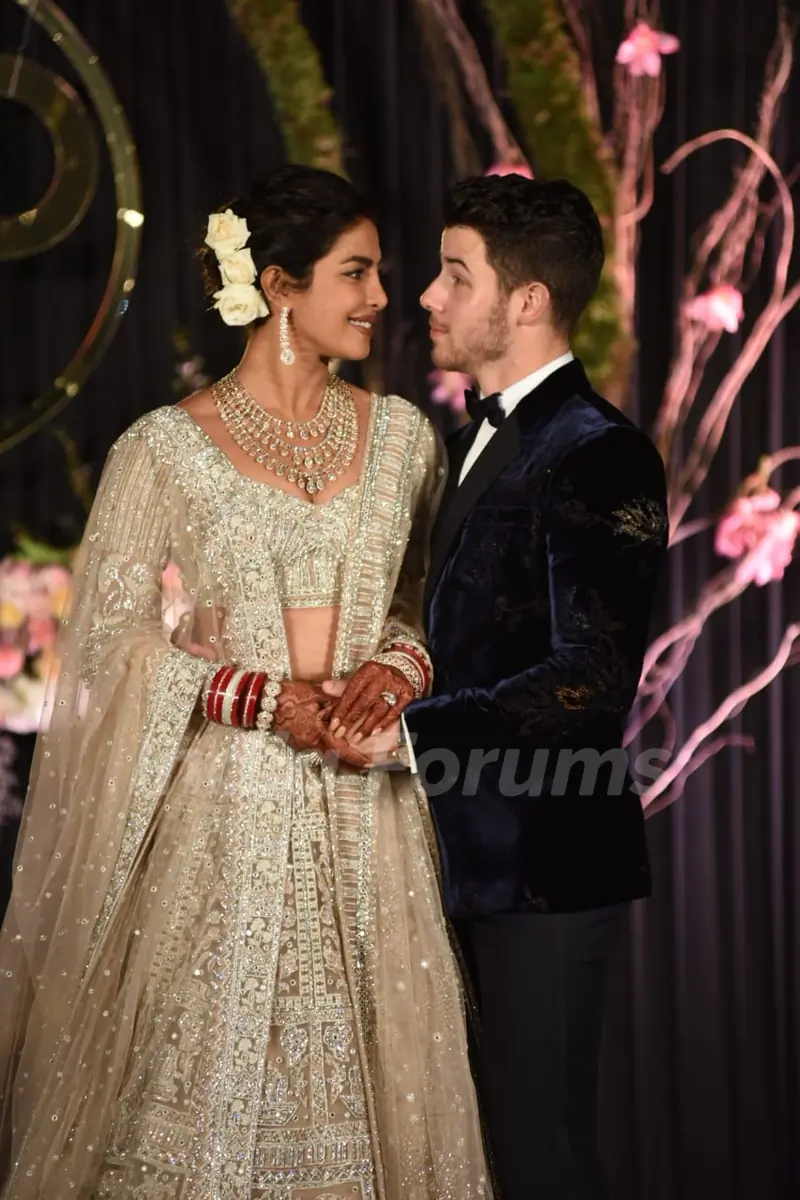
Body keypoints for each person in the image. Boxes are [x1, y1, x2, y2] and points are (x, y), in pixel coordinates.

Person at [0, 166, 490, 1199]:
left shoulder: (402, 437)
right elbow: (108, 648)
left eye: (379, 274)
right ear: (278, 284)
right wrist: (254, 696)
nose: (376, 299)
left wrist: (396, 666)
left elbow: (422, 605)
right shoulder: (163, 452)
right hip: (223, 817)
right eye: (353, 274)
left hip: (368, 816)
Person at [402, 174, 669, 1200]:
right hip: (463, 863)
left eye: (453, 274)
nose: (428, 295)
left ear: (525, 302)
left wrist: (403, 733)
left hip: (545, 873)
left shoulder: (597, 453)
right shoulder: (486, 436)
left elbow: (589, 680)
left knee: (537, 1153)